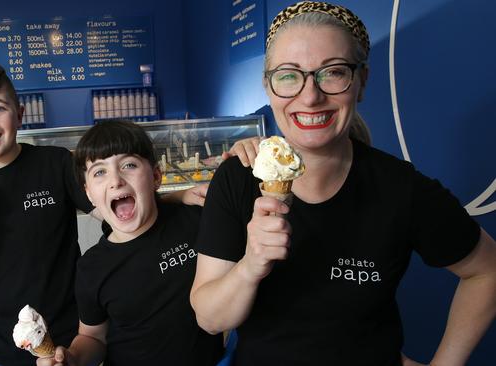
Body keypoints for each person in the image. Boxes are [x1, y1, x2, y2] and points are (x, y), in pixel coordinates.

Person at [189, 2, 496, 366]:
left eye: (332, 72)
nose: (310, 96)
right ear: (268, 87)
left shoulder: (401, 188)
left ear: (361, 81)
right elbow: (210, 320)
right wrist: (251, 264)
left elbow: (487, 270)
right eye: (289, 75)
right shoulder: (239, 177)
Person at [0, 64, 207, 365]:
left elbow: (114, 207)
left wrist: (177, 197)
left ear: (20, 114)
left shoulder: (54, 164)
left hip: (69, 334)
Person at [36, 120, 224, 366]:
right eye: (100, 172)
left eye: (129, 165)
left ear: (156, 176)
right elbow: (93, 338)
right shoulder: (91, 267)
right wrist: (72, 357)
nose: (116, 181)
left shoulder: (195, 222)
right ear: (89, 193)